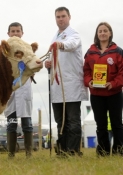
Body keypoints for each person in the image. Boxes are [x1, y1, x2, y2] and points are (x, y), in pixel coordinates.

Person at [45, 7, 88, 156]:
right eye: (58, 17)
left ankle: (73, 150)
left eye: (63, 16)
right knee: (60, 120)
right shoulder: (55, 36)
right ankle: (62, 149)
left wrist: (60, 45)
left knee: (72, 120)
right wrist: (48, 64)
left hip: (71, 84)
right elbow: (55, 58)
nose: (60, 19)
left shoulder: (73, 34)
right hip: (57, 86)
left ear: (69, 17)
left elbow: (70, 45)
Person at [83, 22, 123, 156]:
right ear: (97, 34)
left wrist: (114, 83)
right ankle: (103, 152)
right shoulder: (90, 52)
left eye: (105, 30)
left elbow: (122, 72)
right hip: (96, 94)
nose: (103, 33)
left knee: (117, 123)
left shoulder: (118, 51)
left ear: (110, 33)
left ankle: (119, 151)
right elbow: (86, 71)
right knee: (101, 125)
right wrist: (89, 82)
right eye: (100, 31)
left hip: (114, 93)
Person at [4, 22, 35, 158]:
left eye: (18, 31)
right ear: (8, 34)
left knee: (27, 123)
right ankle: (11, 153)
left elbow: (34, 65)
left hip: (24, 88)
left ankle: (28, 153)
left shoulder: (28, 50)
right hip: (10, 89)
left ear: (22, 33)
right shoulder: (4, 51)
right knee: (11, 123)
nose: (15, 33)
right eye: (13, 31)